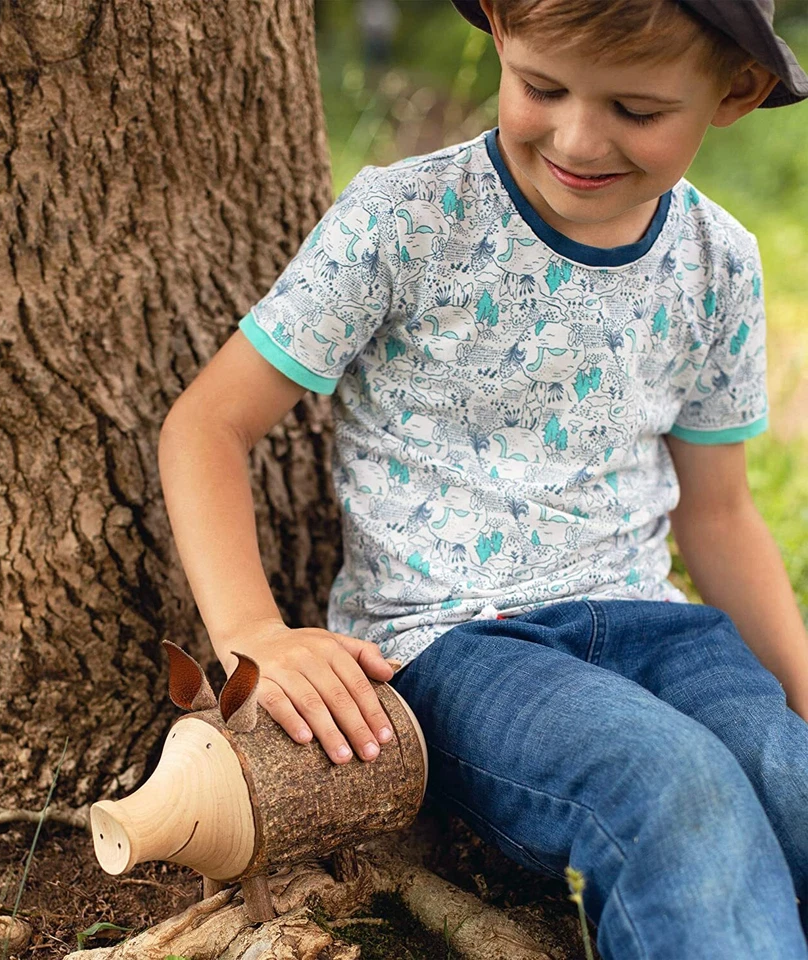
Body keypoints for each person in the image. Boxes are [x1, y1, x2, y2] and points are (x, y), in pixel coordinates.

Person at [158, 0, 808, 955]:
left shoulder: (719, 262)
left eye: (636, 110)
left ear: (737, 91)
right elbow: (205, 425)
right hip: (459, 647)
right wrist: (253, 633)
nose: (580, 136)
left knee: (786, 774)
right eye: (543, 88)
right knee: (670, 780)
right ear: (501, 31)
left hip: (662, 627)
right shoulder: (407, 220)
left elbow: (718, 512)